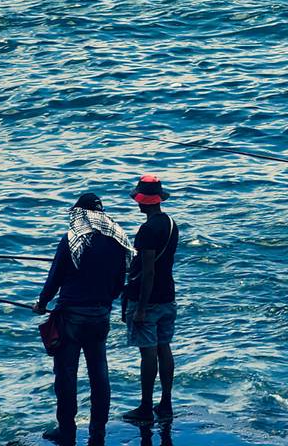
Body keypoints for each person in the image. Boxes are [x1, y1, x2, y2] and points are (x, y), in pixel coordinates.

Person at [35, 193, 133, 446]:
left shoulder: (72, 239)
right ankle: (97, 432)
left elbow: (55, 277)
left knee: (66, 376)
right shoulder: (117, 240)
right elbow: (118, 284)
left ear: (80, 214)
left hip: (71, 317)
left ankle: (67, 431)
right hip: (100, 316)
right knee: (99, 375)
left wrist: (42, 303)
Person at [123, 175, 178, 424]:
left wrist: (141, 308)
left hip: (149, 300)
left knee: (148, 354)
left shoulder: (146, 230)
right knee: (164, 347)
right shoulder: (171, 224)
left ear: (143, 201)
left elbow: (148, 272)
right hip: (168, 296)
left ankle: (145, 407)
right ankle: (166, 403)